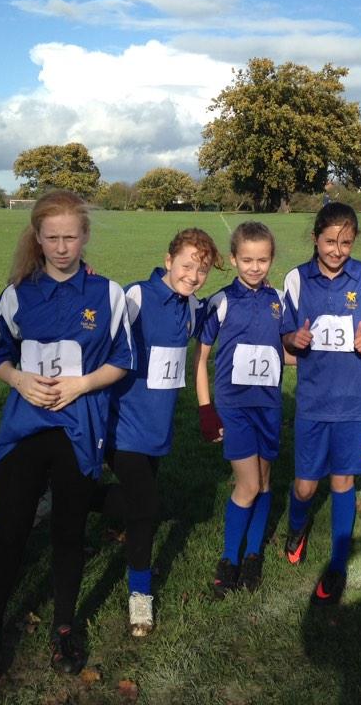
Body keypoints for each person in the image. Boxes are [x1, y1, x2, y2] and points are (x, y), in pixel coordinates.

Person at [0, 190, 134, 679]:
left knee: (67, 531)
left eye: (70, 236)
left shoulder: (108, 294)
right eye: (52, 237)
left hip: (79, 430)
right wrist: (20, 380)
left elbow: (123, 359)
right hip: (25, 429)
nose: (62, 247)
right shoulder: (18, 293)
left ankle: (64, 629)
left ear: (84, 237)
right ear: (37, 239)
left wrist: (82, 383)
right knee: (11, 531)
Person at [99, 228, 221, 637]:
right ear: (168, 261)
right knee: (146, 506)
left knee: (140, 515)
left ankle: (76, 496)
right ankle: (140, 594)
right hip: (122, 425)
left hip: (157, 429)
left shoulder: (191, 308)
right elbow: (100, 335)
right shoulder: (135, 296)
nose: (193, 274)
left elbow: (219, 318)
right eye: (187, 265)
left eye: (202, 269)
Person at [281, 202, 361, 605]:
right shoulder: (296, 279)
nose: (337, 250)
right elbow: (285, 337)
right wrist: (296, 340)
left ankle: (338, 563)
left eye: (345, 242)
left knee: (343, 481)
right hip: (314, 399)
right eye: (330, 241)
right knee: (306, 486)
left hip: (355, 400)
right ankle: (297, 527)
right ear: (315, 237)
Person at [196, 222, 291, 598]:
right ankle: (228, 558)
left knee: (265, 482)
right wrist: (206, 408)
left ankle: (253, 554)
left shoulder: (280, 301)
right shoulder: (220, 302)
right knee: (247, 484)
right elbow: (201, 359)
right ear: (234, 258)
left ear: (271, 260)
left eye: (262, 260)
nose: (255, 267)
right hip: (234, 407)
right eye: (247, 259)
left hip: (268, 405)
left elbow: (285, 353)